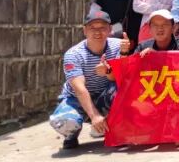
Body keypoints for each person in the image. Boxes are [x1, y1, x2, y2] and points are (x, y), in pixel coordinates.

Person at [49, 11, 127, 149]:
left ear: (110, 30)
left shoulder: (119, 46)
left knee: (124, 91)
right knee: (63, 121)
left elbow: (123, 78)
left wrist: (112, 67)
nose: (97, 32)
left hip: (104, 95)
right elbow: (80, 89)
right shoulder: (73, 54)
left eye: (102, 27)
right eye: (92, 28)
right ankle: (71, 135)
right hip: (77, 99)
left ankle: (112, 128)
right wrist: (94, 116)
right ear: (85, 31)